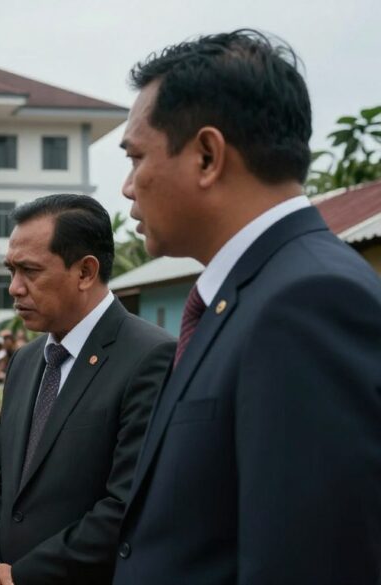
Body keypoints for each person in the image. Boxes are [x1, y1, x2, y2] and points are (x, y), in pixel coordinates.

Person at [114, 30, 381, 584]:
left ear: (207, 155)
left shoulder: (307, 302)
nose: (126, 186)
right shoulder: (245, 294)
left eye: (136, 157)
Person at [0, 195, 175, 585]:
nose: (14, 288)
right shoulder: (27, 361)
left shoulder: (150, 357)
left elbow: (125, 505)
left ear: (85, 272)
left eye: (29, 271)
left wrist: (21, 575)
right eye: (11, 270)